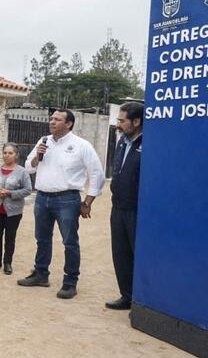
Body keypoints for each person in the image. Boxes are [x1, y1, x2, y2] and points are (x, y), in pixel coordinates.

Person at [18, 109, 106, 299]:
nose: (52, 122)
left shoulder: (81, 145)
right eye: (51, 119)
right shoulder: (43, 141)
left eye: (57, 119)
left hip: (68, 199)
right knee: (42, 239)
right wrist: (37, 156)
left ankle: (70, 282)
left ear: (69, 124)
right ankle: (41, 274)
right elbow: (28, 167)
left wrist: (88, 201)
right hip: (42, 198)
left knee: (70, 242)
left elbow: (97, 173)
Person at [106, 102, 144, 310]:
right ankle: (126, 296)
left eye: (122, 120)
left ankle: (142, 301)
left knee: (137, 253)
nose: (118, 124)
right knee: (120, 253)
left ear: (136, 122)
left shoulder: (150, 143)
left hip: (136, 210)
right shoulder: (122, 142)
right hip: (118, 207)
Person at [0, 143, 32, 275]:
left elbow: (28, 190)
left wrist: (10, 193)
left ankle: (7, 262)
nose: (7, 155)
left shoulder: (22, 172)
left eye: (10, 153)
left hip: (13, 211)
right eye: (5, 152)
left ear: (16, 155)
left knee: (10, 237)